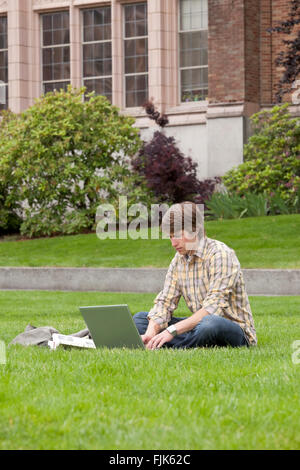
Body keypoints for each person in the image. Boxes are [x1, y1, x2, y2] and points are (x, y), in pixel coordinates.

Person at [133, 201, 257, 350]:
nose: (173, 243)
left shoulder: (221, 255)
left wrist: (171, 331)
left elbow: (212, 309)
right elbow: (165, 302)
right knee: (140, 320)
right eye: (170, 236)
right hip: (199, 325)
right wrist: (150, 332)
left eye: (178, 235)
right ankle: (158, 342)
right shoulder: (178, 260)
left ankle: (170, 344)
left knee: (210, 324)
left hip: (232, 330)